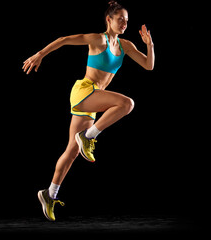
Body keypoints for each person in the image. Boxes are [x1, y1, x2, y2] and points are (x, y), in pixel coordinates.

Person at [23, 1, 154, 221]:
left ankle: (49, 194)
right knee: (126, 104)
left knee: (72, 151)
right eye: (120, 18)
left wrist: (149, 45)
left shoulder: (126, 46)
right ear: (109, 20)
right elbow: (64, 40)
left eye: (127, 20)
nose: (124, 23)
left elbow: (149, 66)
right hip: (84, 91)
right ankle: (88, 136)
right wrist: (40, 54)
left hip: (94, 100)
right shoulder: (97, 39)